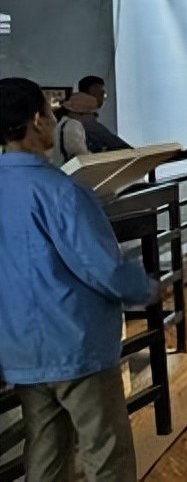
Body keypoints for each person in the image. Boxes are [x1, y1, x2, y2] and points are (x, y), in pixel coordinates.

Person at [0, 77, 157, 482]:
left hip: (19, 349)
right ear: (36, 120)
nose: (54, 121)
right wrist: (145, 288)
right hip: (75, 344)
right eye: (50, 113)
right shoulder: (61, 192)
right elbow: (100, 266)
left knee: (46, 454)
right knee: (106, 455)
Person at [75, 75, 131, 152]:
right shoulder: (88, 124)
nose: (103, 98)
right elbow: (119, 147)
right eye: (101, 94)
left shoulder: (82, 120)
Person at [49, 92, 98, 168]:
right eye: (94, 114)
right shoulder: (73, 124)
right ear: (82, 113)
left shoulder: (61, 123)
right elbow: (79, 153)